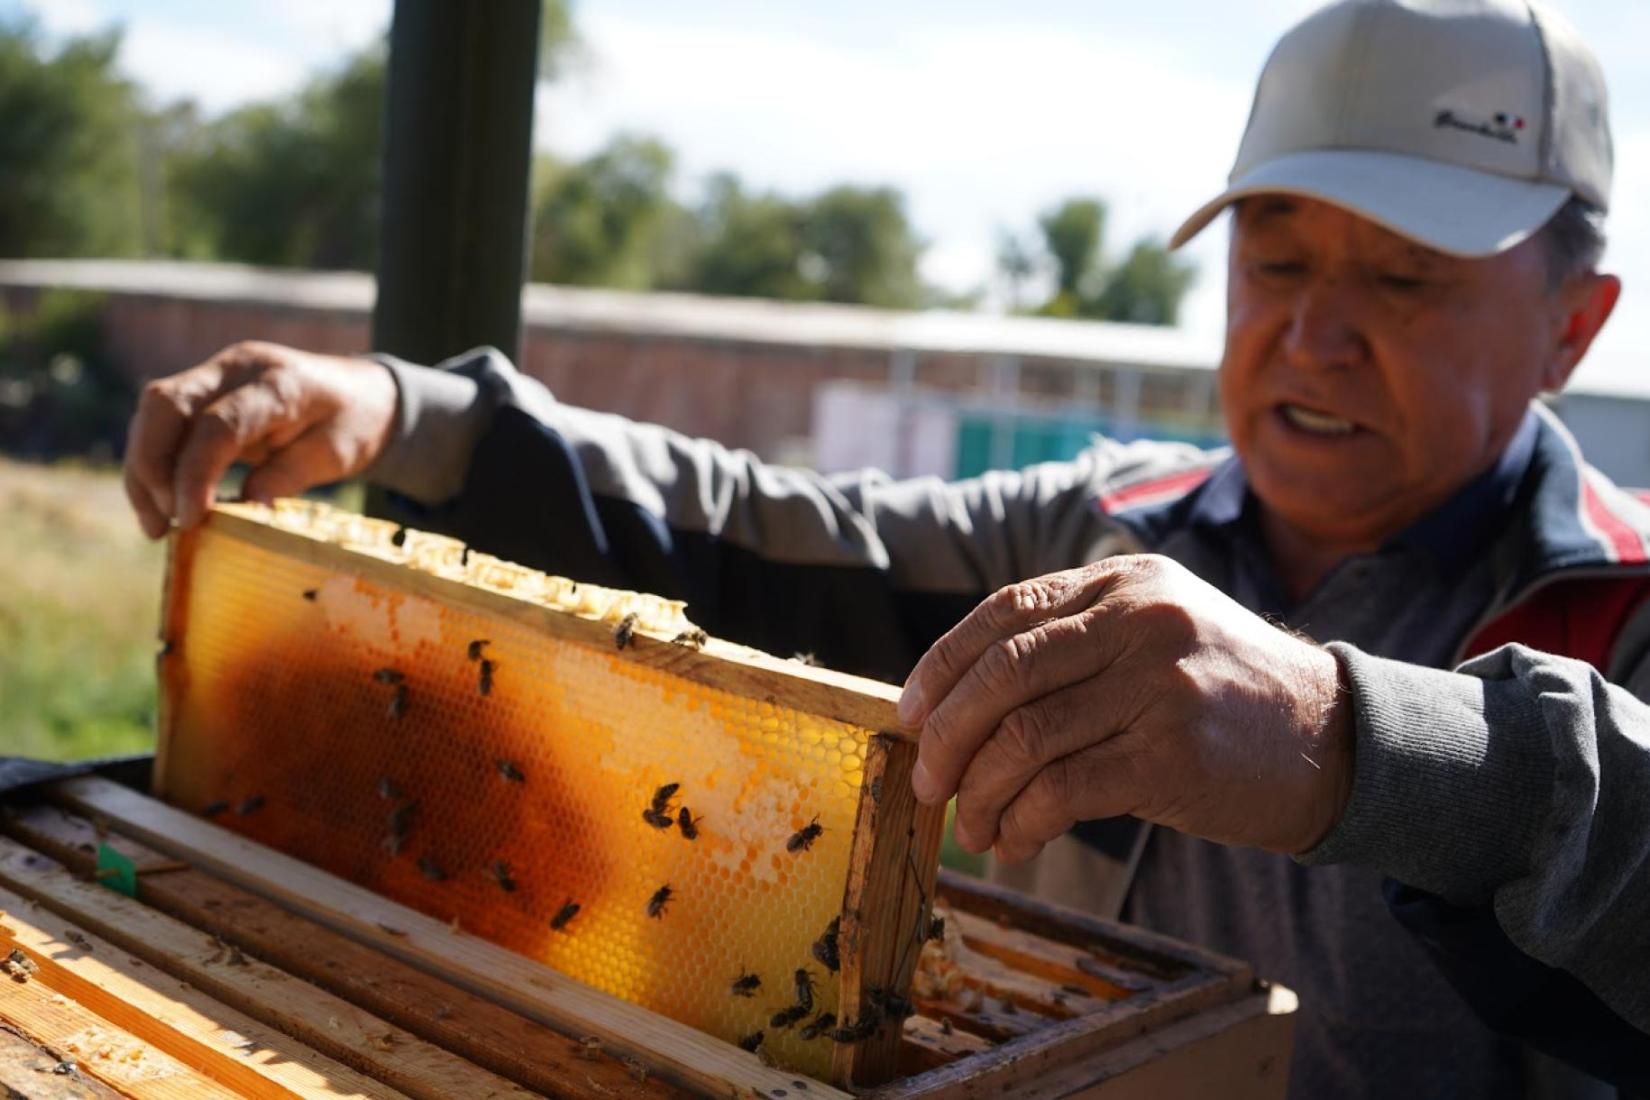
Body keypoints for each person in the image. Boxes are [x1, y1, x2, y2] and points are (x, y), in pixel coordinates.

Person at [122, 0, 1650, 1093]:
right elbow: (761, 533)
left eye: (1401, 276)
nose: (1312, 335)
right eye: (1276, 255)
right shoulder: (1091, 531)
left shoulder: (1621, 619)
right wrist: (412, 413)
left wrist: (1354, 746)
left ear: (1570, 327)